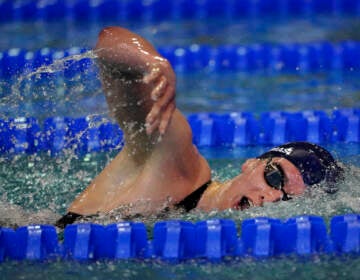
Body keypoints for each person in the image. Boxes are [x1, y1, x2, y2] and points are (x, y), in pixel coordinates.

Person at [56, 27, 343, 228]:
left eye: (286, 200)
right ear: (251, 164)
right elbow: (108, 41)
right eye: (275, 178)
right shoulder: (177, 164)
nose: (269, 198)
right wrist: (151, 62)